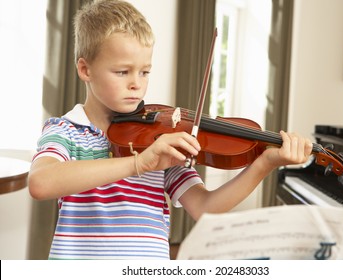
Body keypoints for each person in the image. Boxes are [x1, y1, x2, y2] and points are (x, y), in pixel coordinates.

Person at [28, 0, 313, 260]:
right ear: (85, 69)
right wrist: (140, 163)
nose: (136, 84)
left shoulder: (160, 141)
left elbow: (205, 208)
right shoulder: (66, 130)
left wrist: (264, 164)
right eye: (122, 72)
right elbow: (41, 183)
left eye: (145, 71)